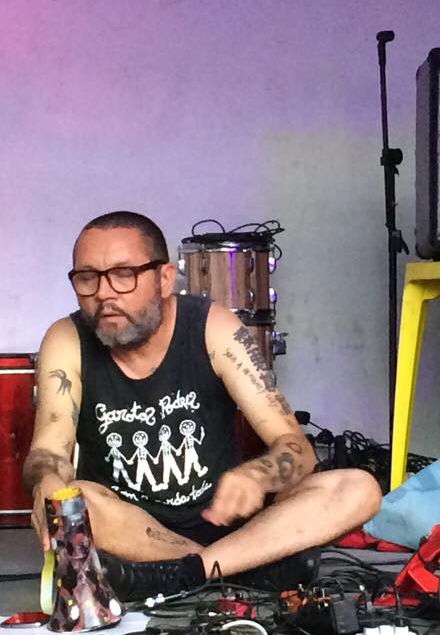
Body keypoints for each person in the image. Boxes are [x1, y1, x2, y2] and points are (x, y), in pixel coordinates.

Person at [23, 211, 382, 600]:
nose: (104, 293)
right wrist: (47, 481)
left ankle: (180, 575)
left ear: (164, 279)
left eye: (124, 274)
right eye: (87, 277)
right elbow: (49, 451)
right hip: (131, 532)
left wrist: (257, 475)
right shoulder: (66, 339)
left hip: (229, 525)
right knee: (75, 497)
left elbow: (297, 449)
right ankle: (240, 569)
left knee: (358, 488)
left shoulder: (214, 327)